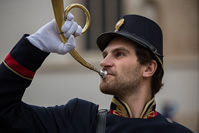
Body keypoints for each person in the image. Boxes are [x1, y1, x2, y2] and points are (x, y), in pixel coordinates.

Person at [0, 11, 192, 132]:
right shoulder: (76, 119)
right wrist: (35, 47)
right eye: (105, 54)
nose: (104, 62)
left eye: (119, 54)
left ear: (149, 68)